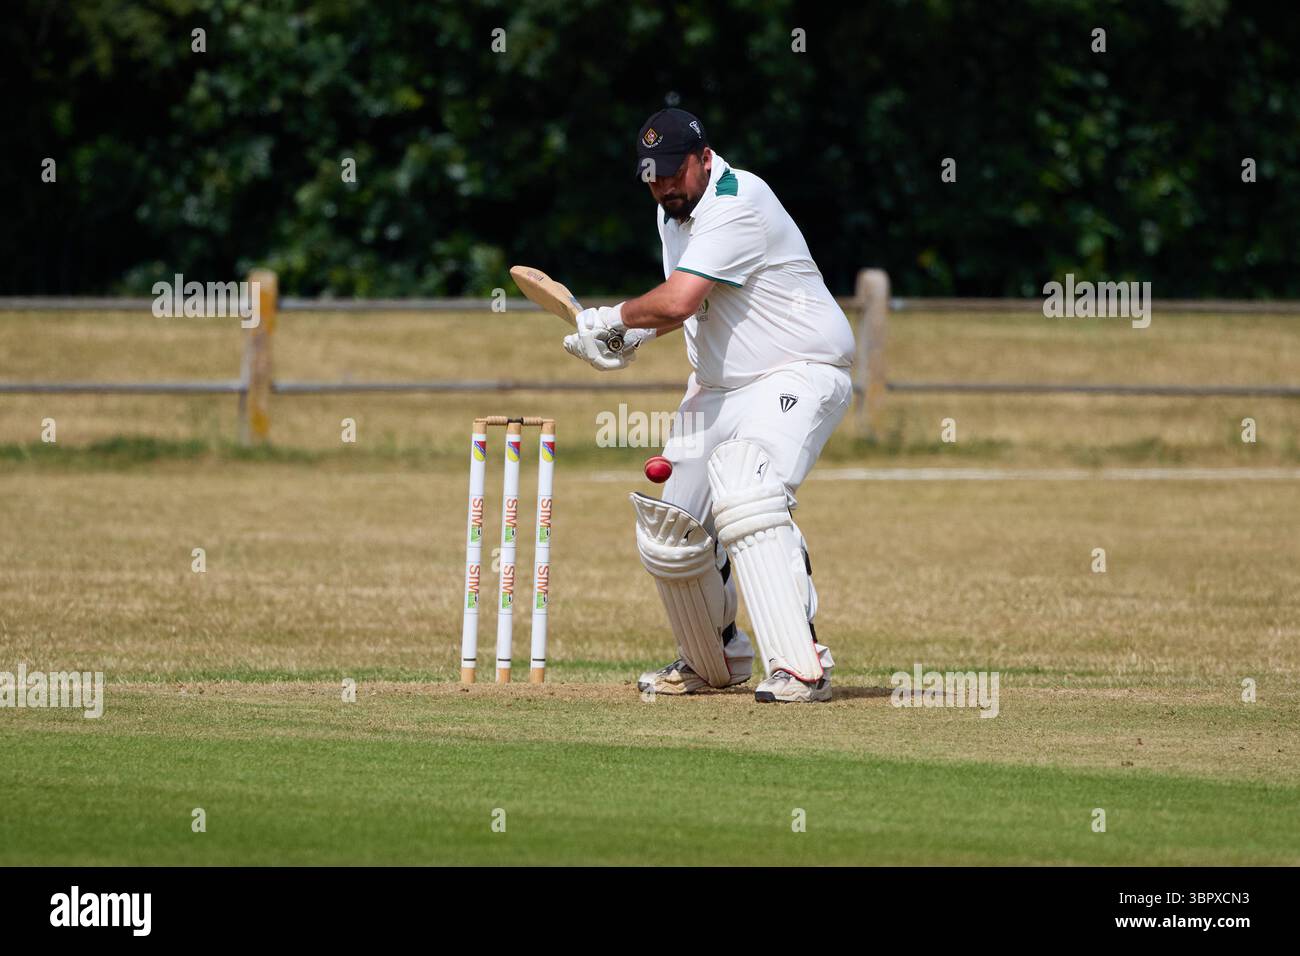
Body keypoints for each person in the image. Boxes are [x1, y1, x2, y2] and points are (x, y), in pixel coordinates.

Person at [564, 108, 855, 703]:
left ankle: (803, 664)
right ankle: (713, 657)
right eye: (652, 177)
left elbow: (677, 300)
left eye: (673, 172)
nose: (664, 186)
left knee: (749, 492)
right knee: (672, 534)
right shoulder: (673, 213)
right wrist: (626, 340)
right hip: (718, 389)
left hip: (796, 370)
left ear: (703, 157)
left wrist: (613, 319)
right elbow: (693, 304)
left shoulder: (736, 200)